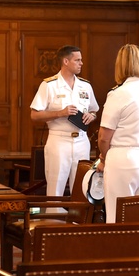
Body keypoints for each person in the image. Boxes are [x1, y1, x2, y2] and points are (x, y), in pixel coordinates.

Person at [97, 44, 139, 223]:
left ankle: (119, 251)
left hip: (125, 157)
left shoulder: (119, 93)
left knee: (118, 217)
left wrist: (104, 159)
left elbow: (104, 136)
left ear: (120, 65)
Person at [30, 45, 99, 196]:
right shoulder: (49, 85)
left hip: (81, 140)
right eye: (77, 60)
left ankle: (77, 219)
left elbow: (94, 109)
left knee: (81, 186)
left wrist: (91, 116)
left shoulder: (85, 85)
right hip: (59, 140)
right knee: (56, 187)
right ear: (66, 61)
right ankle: (52, 218)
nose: (81, 63)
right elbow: (34, 115)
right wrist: (60, 113)